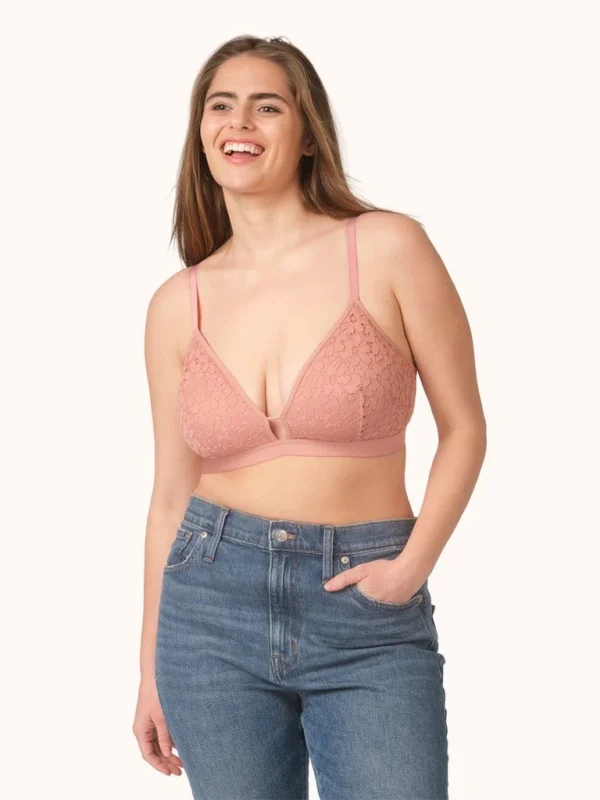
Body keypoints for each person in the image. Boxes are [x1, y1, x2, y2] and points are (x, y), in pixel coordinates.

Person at [133, 34, 487, 800]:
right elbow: (169, 496)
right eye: (221, 105)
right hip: (208, 612)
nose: (240, 122)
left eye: (267, 106)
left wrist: (412, 566)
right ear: (201, 132)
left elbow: (464, 427)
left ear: (306, 135)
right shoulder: (176, 305)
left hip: (364, 604)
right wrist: (148, 671)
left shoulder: (388, 248)